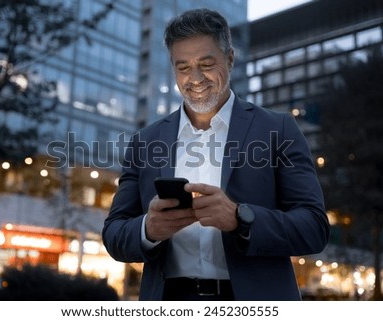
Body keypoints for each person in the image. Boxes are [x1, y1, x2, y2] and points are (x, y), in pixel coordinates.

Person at [102, 8, 330, 301]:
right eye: (183, 67)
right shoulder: (145, 141)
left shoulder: (278, 129)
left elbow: (314, 228)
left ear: (230, 59)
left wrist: (240, 218)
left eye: (206, 63)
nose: (195, 78)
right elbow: (114, 234)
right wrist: (147, 229)